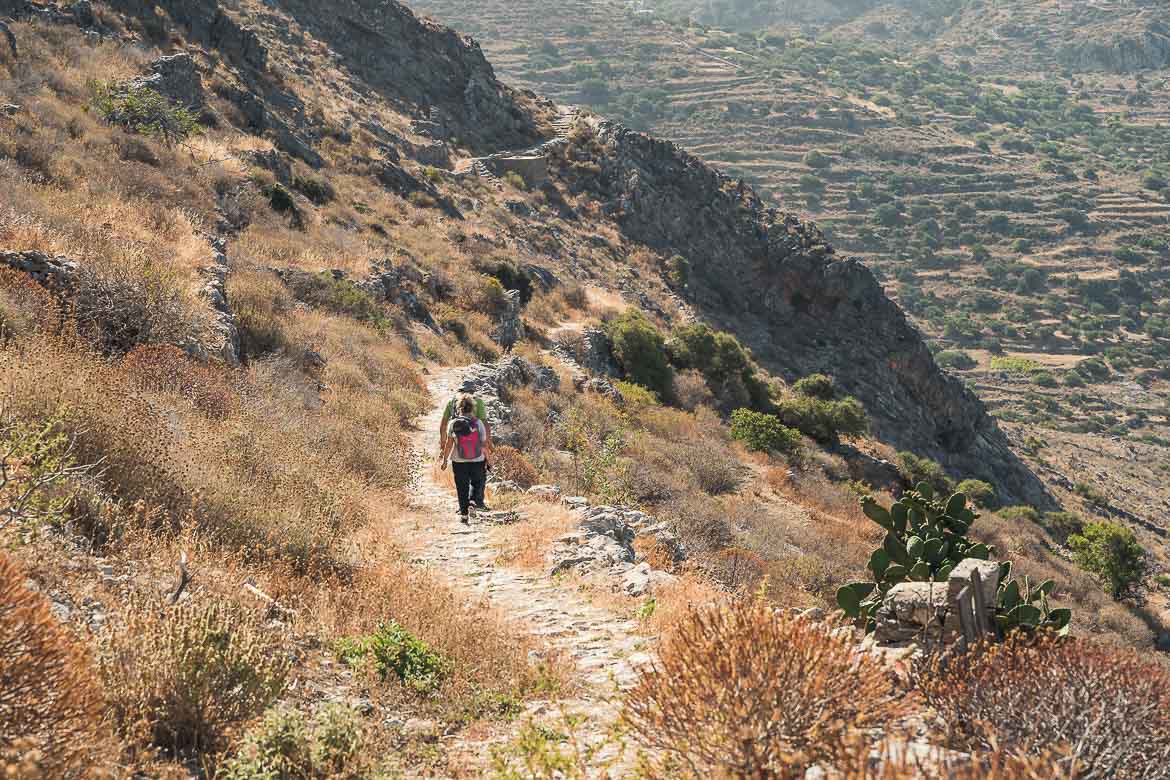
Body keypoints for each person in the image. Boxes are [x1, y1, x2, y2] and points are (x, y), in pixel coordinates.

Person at [440, 394, 493, 523]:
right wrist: (489, 461)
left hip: (458, 461)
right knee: (477, 482)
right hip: (477, 459)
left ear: (459, 408)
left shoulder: (453, 423)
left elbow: (449, 444)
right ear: (473, 408)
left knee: (461, 486)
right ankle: (473, 502)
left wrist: (445, 460)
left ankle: (464, 515)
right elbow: (484, 444)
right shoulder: (478, 423)